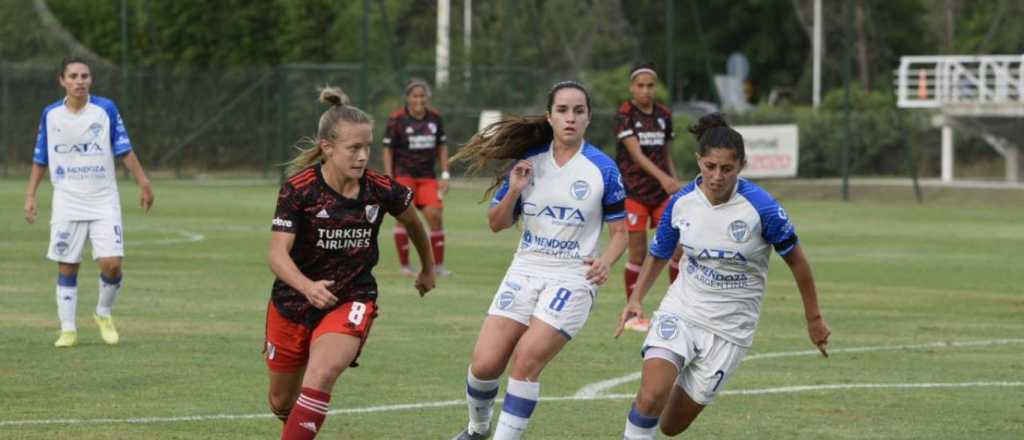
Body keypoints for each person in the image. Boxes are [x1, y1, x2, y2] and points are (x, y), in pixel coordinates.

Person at [615, 113, 831, 439]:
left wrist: (814, 318)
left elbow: (798, 263)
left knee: (672, 426)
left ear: (741, 166)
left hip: (731, 329)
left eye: (726, 169)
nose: (717, 176)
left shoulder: (762, 209)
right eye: (710, 166)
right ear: (699, 161)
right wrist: (636, 298)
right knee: (650, 396)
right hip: (683, 311)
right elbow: (659, 254)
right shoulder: (681, 203)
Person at [449, 81, 629, 440]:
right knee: (484, 365)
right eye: (562, 110)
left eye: (578, 111)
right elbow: (497, 224)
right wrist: (514, 189)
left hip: (572, 278)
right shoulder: (529, 163)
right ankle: (477, 429)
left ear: (589, 118)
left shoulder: (602, 169)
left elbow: (621, 232)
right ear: (549, 116)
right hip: (525, 269)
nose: (570, 118)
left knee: (526, 362)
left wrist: (606, 261)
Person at [264, 86, 436, 440]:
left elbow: (415, 222)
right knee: (282, 402)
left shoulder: (379, 189)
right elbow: (277, 254)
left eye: (367, 147)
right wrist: (307, 287)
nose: (362, 156)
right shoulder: (298, 190)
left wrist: (428, 268)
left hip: (352, 297)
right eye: (353, 148)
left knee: (323, 371)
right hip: (293, 301)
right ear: (327, 148)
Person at [23, 56, 154, 348]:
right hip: (67, 200)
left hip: (103, 199)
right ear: (62, 80)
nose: (79, 81)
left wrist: (144, 183)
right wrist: (31, 194)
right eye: (73, 76)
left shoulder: (105, 109)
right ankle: (67, 329)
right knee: (67, 265)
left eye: (84, 76)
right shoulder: (51, 114)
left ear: (90, 80)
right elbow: (40, 157)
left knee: (112, 264)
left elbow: (125, 150)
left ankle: (103, 313)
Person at [614, 63, 682, 332]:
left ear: (656, 87)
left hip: (662, 194)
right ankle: (633, 312)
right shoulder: (625, 114)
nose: (645, 90)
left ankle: (678, 309)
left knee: (678, 248)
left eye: (650, 85)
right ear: (632, 87)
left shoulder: (664, 114)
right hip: (634, 192)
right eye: (640, 85)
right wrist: (663, 178)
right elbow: (637, 155)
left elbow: (665, 154)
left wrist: (675, 184)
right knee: (639, 254)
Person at [383, 78, 453, 277]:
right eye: (415, 96)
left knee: (435, 217)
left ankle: (437, 266)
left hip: (428, 177)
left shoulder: (435, 118)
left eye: (422, 96)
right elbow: (387, 149)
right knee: (404, 218)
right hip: (404, 176)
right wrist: (389, 176)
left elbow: (442, 147)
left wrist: (445, 174)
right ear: (408, 98)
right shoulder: (397, 119)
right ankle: (406, 266)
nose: (419, 100)